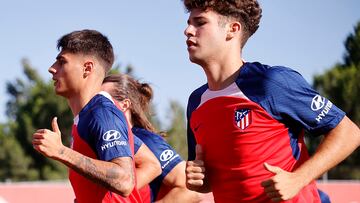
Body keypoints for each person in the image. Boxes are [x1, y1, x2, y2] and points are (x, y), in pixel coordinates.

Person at [182, 0, 360, 202]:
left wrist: (298, 179)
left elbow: (348, 132)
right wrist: (198, 179)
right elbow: (209, 181)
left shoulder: (270, 83)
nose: (187, 30)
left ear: (232, 30)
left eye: (200, 22)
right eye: (188, 22)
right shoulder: (195, 103)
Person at [32, 29, 145, 203]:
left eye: (62, 62)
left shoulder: (102, 113)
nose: (52, 69)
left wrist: (61, 151)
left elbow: (124, 180)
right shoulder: (86, 117)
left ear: (87, 68)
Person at [102, 74, 208, 203]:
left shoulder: (145, 140)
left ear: (125, 105)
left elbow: (190, 190)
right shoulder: (106, 142)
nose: (96, 105)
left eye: (104, 100)